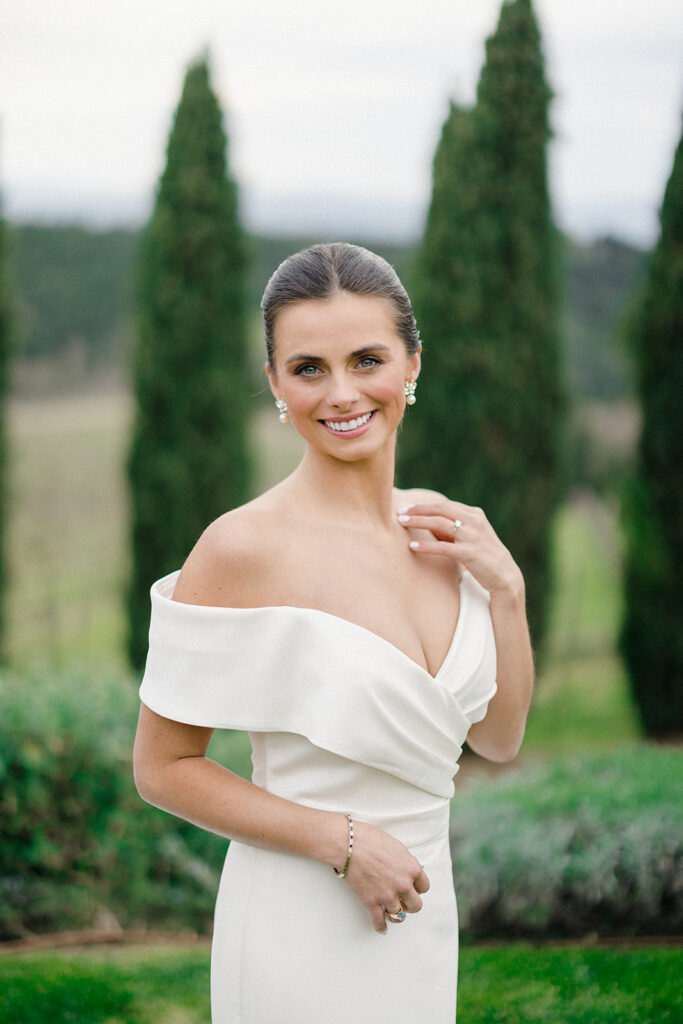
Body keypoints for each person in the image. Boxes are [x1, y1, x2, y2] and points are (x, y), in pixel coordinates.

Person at [134, 242, 534, 1023]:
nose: (341, 393)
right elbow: (163, 767)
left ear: (412, 363)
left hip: (420, 915)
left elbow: (497, 740)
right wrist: (340, 841)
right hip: (297, 913)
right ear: (276, 383)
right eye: (309, 367)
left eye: (367, 359)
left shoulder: (445, 534)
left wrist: (508, 593)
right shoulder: (240, 549)